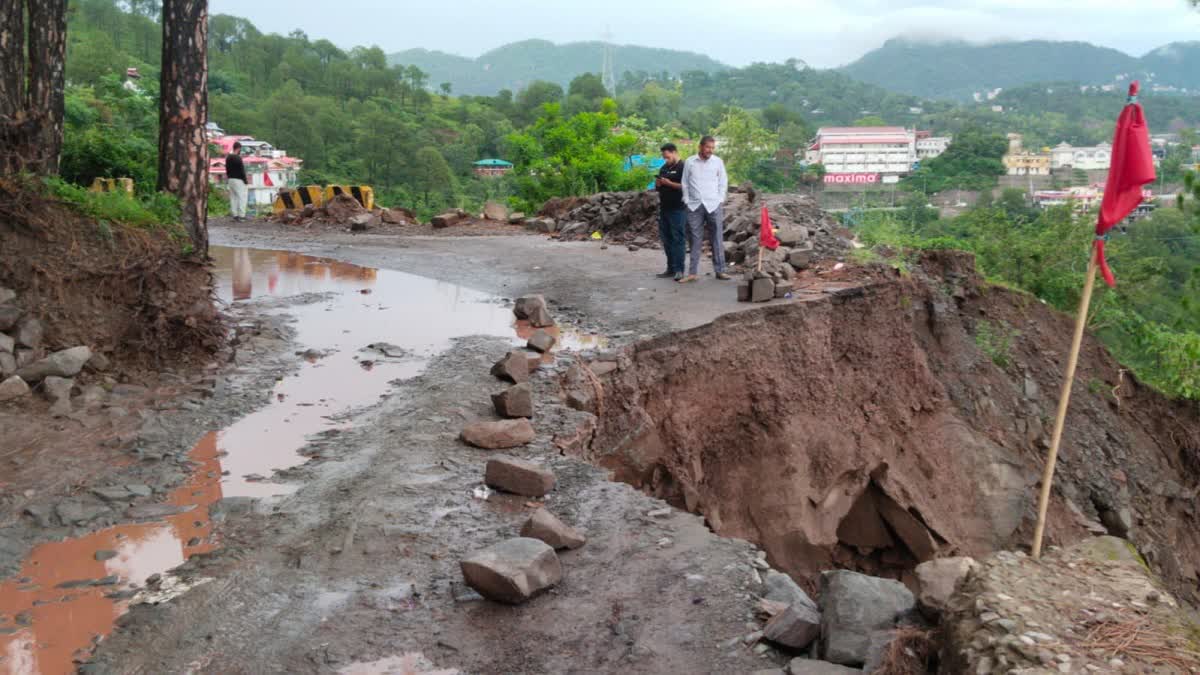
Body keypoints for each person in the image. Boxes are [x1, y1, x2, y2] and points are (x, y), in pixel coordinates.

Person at [680, 135, 730, 283]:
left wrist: (720, 199)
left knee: (717, 238)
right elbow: (685, 183)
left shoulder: (717, 162)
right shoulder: (690, 162)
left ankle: (720, 271)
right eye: (708, 147)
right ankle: (692, 273)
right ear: (700, 147)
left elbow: (723, 181)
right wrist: (687, 200)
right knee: (695, 239)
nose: (710, 150)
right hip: (694, 206)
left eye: (712, 148)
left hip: (713, 205)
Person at [654, 143, 687, 280]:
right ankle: (670, 268)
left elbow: (687, 187)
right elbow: (659, 189)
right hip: (664, 209)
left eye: (667, 157)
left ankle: (679, 270)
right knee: (666, 239)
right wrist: (658, 185)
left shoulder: (683, 167)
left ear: (674, 152)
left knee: (678, 239)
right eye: (664, 157)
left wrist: (669, 183)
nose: (665, 160)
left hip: (678, 209)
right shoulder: (664, 168)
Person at [226, 141, 249, 222]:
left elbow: (227, 170)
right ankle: (242, 215)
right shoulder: (238, 158)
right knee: (242, 197)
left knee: (233, 197)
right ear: (239, 148)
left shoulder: (228, 157)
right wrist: (245, 181)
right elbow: (241, 171)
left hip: (230, 179)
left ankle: (235, 215)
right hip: (238, 180)